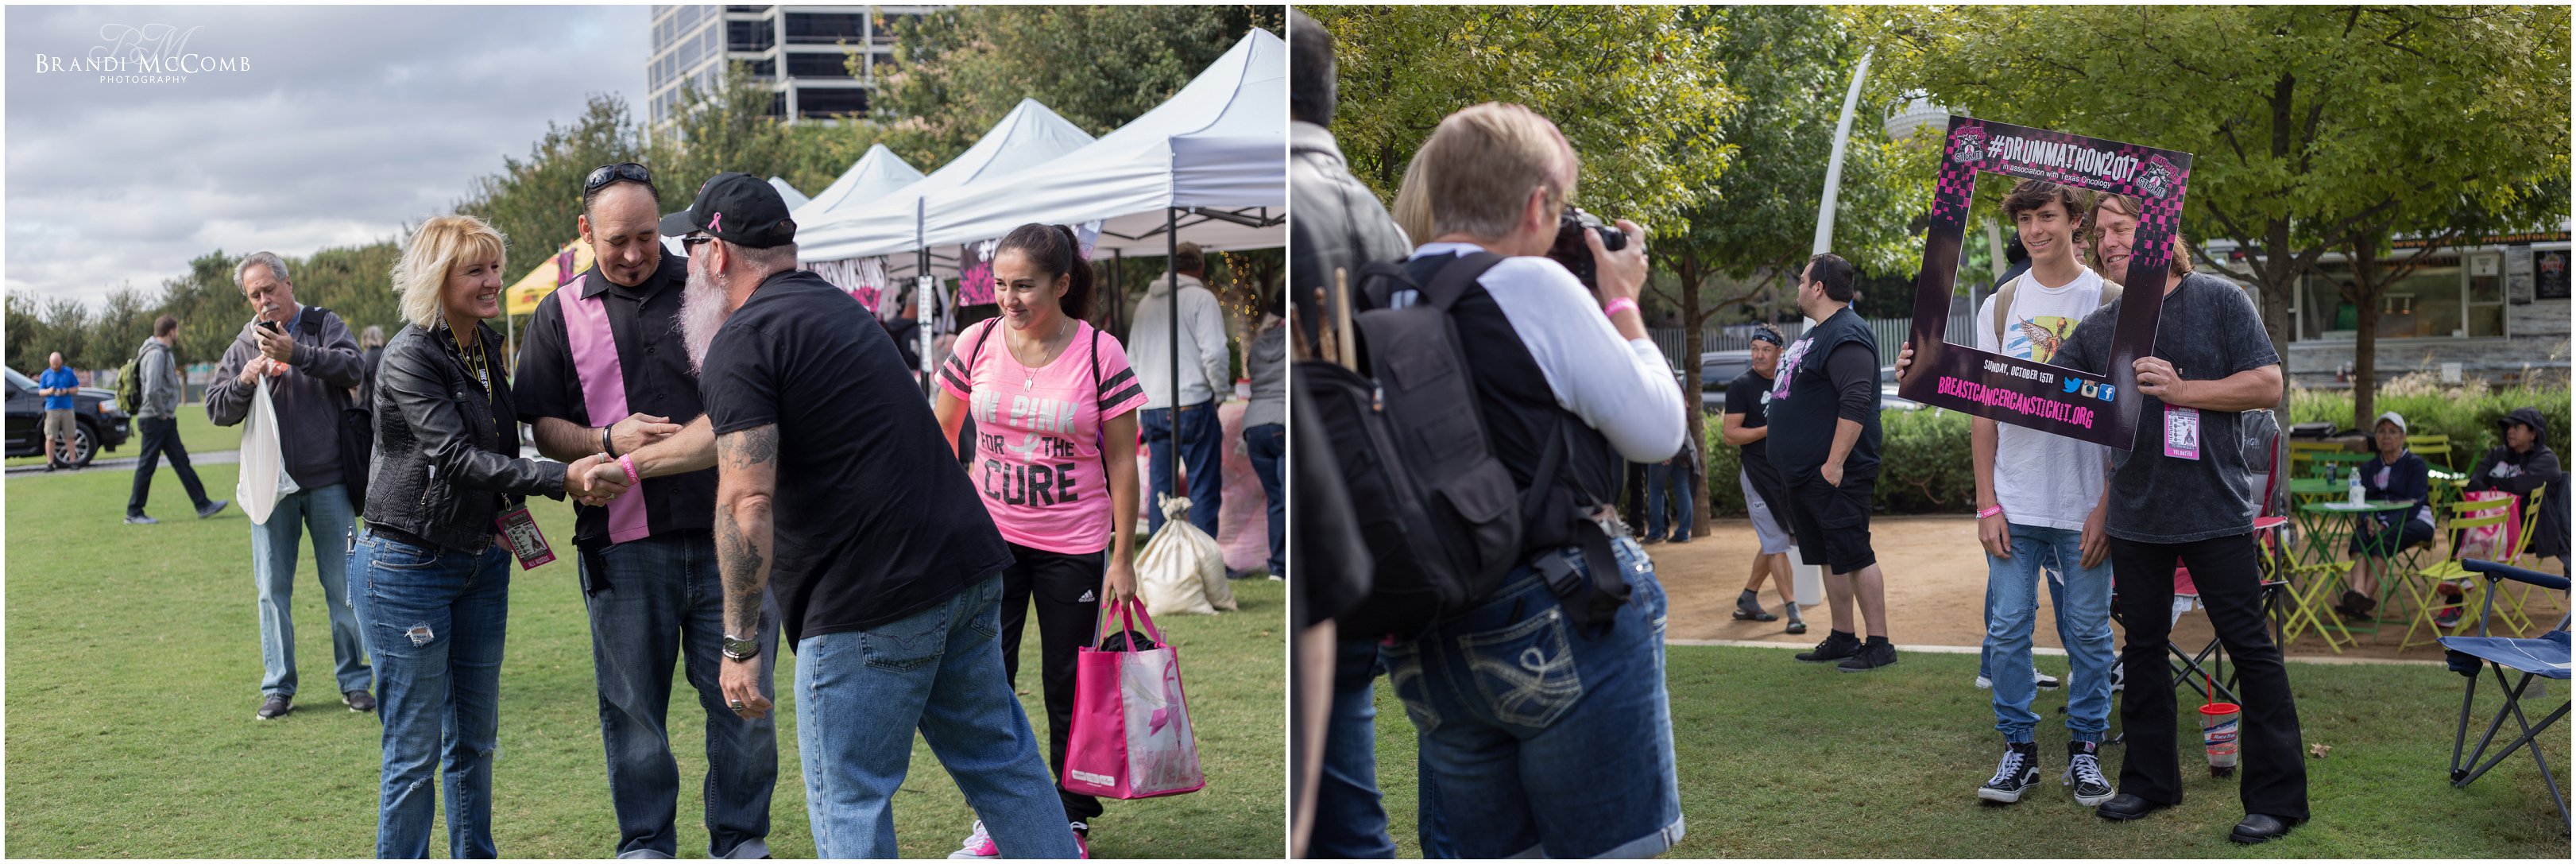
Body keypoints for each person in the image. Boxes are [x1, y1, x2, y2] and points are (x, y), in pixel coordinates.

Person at [667, 173, 1080, 859]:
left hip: (867, 600)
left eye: (689, 248)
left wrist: (738, 642)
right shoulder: (834, 309)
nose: (685, 267)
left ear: (717, 253)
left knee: (850, 798)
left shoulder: (743, 338)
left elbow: (746, 499)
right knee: (1003, 766)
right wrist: (631, 462)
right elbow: (738, 429)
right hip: (963, 569)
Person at [1364, 102, 1687, 858]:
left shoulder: (1378, 295)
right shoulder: (1533, 287)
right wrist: (1623, 304)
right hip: (1559, 602)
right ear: (1538, 204)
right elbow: (1658, 432)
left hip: (1428, 630)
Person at [510, 162, 781, 859]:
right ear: (584, 230)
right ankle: (647, 843)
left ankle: (741, 840)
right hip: (622, 547)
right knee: (632, 710)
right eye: (617, 241)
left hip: (732, 533)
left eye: (647, 236)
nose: (634, 254)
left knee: (745, 702)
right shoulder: (558, 312)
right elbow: (542, 425)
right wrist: (605, 439)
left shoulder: (712, 287)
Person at [353, 214, 625, 858]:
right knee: (414, 754)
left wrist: (509, 512)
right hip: (407, 567)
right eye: (475, 270)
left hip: (479, 562)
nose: (493, 282)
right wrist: (561, 478)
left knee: (475, 742)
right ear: (436, 277)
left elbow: (498, 444)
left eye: (496, 267)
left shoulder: (482, 344)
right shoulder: (410, 354)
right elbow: (453, 457)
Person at [2051, 192, 2307, 842]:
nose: (2107, 242)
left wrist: (2184, 390)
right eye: (2099, 233)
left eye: (2120, 228)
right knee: (2142, 651)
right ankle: (2149, 782)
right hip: (2136, 517)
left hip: (2215, 513)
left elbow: (2268, 384)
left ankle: (2276, 799)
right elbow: (2041, 389)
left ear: (2160, 232)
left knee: (2251, 649)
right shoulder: (2103, 326)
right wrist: (1936, 371)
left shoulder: (2219, 298)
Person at [928, 222, 1147, 854]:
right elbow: (941, 429)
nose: (1009, 298)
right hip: (989, 542)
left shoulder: (1101, 352)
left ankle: (1070, 818)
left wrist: (1123, 558)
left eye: (1024, 285)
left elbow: (1123, 461)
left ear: (1062, 284)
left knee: (1067, 684)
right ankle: (997, 814)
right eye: (1000, 284)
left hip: (1074, 545)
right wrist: (950, 512)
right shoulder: (976, 342)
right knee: (985, 679)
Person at [1286, 10, 1414, 854]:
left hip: (1323, 525)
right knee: (1347, 795)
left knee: (1331, 805)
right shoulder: (1381, 216)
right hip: (1382, 511)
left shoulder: (1290, 201)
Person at [1953, 180, 2121, 806]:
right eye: (2024, 219)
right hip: (2015, 501)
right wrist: (1986, 503)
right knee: (2006, 631)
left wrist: (2107, 505)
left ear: (2076, 220)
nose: (2034, 230)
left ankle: (2085, 750)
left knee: (2090, 635)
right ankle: (2019, 750)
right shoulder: (2001, 304)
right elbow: (1983, 411)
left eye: (2046, 216)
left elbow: (2129, 417)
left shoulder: (2110, 299)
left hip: (2085, 503)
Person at [206, 250, 373, 721]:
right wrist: (244, 379)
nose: (264, 300)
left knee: (344, 586)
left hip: (328, 481)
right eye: (254, 294)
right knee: (271, 591)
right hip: (270, 488)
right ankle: (278, 686)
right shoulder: (244, 344)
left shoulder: (322, 325)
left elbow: (354, 369)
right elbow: (216, 409)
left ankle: (355, 681)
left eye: (269, 289)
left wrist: (295, 354)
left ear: (288, 285)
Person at [1771, 253, 1897, 672]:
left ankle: (1879, 644)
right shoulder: (1817, 333)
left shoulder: (1847, 333)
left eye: (1802, 280)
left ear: (1819, 287)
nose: (1799, 288)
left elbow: (1856, 400)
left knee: (1855, 553)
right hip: (1807, 474)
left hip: (1837, 474)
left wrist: (1834, 464)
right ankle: (1844, 636)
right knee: (1830, 555)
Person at [1127, 241, 1230, 538]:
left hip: (1153, 406)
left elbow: (1131, 360)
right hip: (1192, 400)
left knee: (1162, 490)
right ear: (1200, 267)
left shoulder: (1145, 304)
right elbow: (1215, 352)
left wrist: (1141, 405)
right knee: (1203, 487)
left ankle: (1161, 556)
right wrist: (1220, 392)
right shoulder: (1202, 299)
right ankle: (1202, 557)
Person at [1721, 324, 1804, 633]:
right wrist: (1771, 429)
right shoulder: (1740, 386)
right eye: (1755, 349)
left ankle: (1748, 598)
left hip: (1784, 475)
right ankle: (1793, 611)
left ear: (1779, 352)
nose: (1759, 355)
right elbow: (1730, 435)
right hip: (1756, 475)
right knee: (1777, 542)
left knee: (1775, 539)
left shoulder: (1789, 379)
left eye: (1766, 350)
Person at [126, 316, 228, 524]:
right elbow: (152, 390)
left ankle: (203, 504)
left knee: (181, 461)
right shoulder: (156, 354)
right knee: (147, 465)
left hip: (162, 418)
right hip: (155, 418)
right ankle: (134, 512)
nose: (178, 334)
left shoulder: (161, 353)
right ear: (171, 331)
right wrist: (161, 413)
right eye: (177, 330)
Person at [2336, 412, 2432, 622]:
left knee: (2383, 538)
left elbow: (2415, 503)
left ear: (2403, 436)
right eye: (2381, 431)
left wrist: (2386, 523)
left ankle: (2364, 597)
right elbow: (2362, 500)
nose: (2386, 436)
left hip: (2415, 520)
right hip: (2377, 522)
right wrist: (2369, 519)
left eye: (2392, 432)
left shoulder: (2415, 465)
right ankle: (2358, 591)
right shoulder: (2369, 467)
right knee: (2360, 535)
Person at [2463, 407, 2566, 575]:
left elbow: (2519, 486)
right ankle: (2460, 575)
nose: (2510, 431)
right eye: (2508, 427)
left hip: (2521, 528)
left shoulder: (2546, 459)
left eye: (2516, 427)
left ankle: (2466, 572)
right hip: (2485, 522)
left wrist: (2490, 482)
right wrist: (2504, 485)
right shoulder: (2497, 454)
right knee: (2462, 510)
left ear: (2533, 434)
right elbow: (2474, 482)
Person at [1244, 293, 1287, 580]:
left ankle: (1279, 567)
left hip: (1254, 424)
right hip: (1282, 420)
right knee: (1288, 496)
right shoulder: (1296, 337)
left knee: (1276, 498)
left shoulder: (1259, 344)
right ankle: (1287, 565)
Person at [1642, 373, 1696, 545]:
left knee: (1655, 490)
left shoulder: (1658, 393)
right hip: (1683, 449)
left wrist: (1666, 452)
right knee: (1682, 488)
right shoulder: (1680, 393)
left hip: (1664, 449)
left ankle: (1656, 532)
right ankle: (1683, 533)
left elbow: (1657, 423)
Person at [38, 351, 80, 469]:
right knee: (50, 436)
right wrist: (49, 391)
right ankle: (50, 463)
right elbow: (41, 391)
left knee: (70, 436)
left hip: (67, 408)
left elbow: (76, 389)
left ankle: (73, 462)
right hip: (52, 409)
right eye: (53, 364)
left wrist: (66, 391)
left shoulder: (68, 372)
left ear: (61, 361)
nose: (55, 366)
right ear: (50, 363)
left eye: (57, 363)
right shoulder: (46, 374)